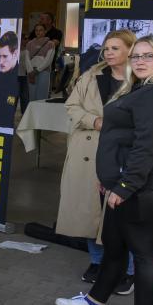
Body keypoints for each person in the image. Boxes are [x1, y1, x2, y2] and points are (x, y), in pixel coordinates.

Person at [54, 34, 153, 305]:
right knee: (115, 244)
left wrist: (125, 185)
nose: (140, 61)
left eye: (149, 56)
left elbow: (148, 146)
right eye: (137, 56)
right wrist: (110, 177)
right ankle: (95, 303)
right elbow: (128, 138)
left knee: (145, 255)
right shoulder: (143, 88)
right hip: (133, 184)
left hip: (149, 187)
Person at [59, 30, 137, 290]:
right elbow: (72, 106)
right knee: (90, 210)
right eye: (106, 48)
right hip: (88, 151)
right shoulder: (91, 76)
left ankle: (127, 269)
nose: (108, 53)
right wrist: (95, 121)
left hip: (126, 153)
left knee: (123, 212)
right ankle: (96, 261)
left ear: (130, 49)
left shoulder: (143, 80)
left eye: (115, 48)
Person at [24, 24, 56, 103]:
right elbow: (27, 59)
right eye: (36, 30)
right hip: (31, 73)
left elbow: (48, 61)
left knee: (41, 97)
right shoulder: (29, 44)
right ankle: (33, 115)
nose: (38, 32)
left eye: (41, 30)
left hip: (44, 72)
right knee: (32, 97)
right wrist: (30, 71)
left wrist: (37, 71)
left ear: (45, 31)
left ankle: (40, 115)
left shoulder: (50, 44)